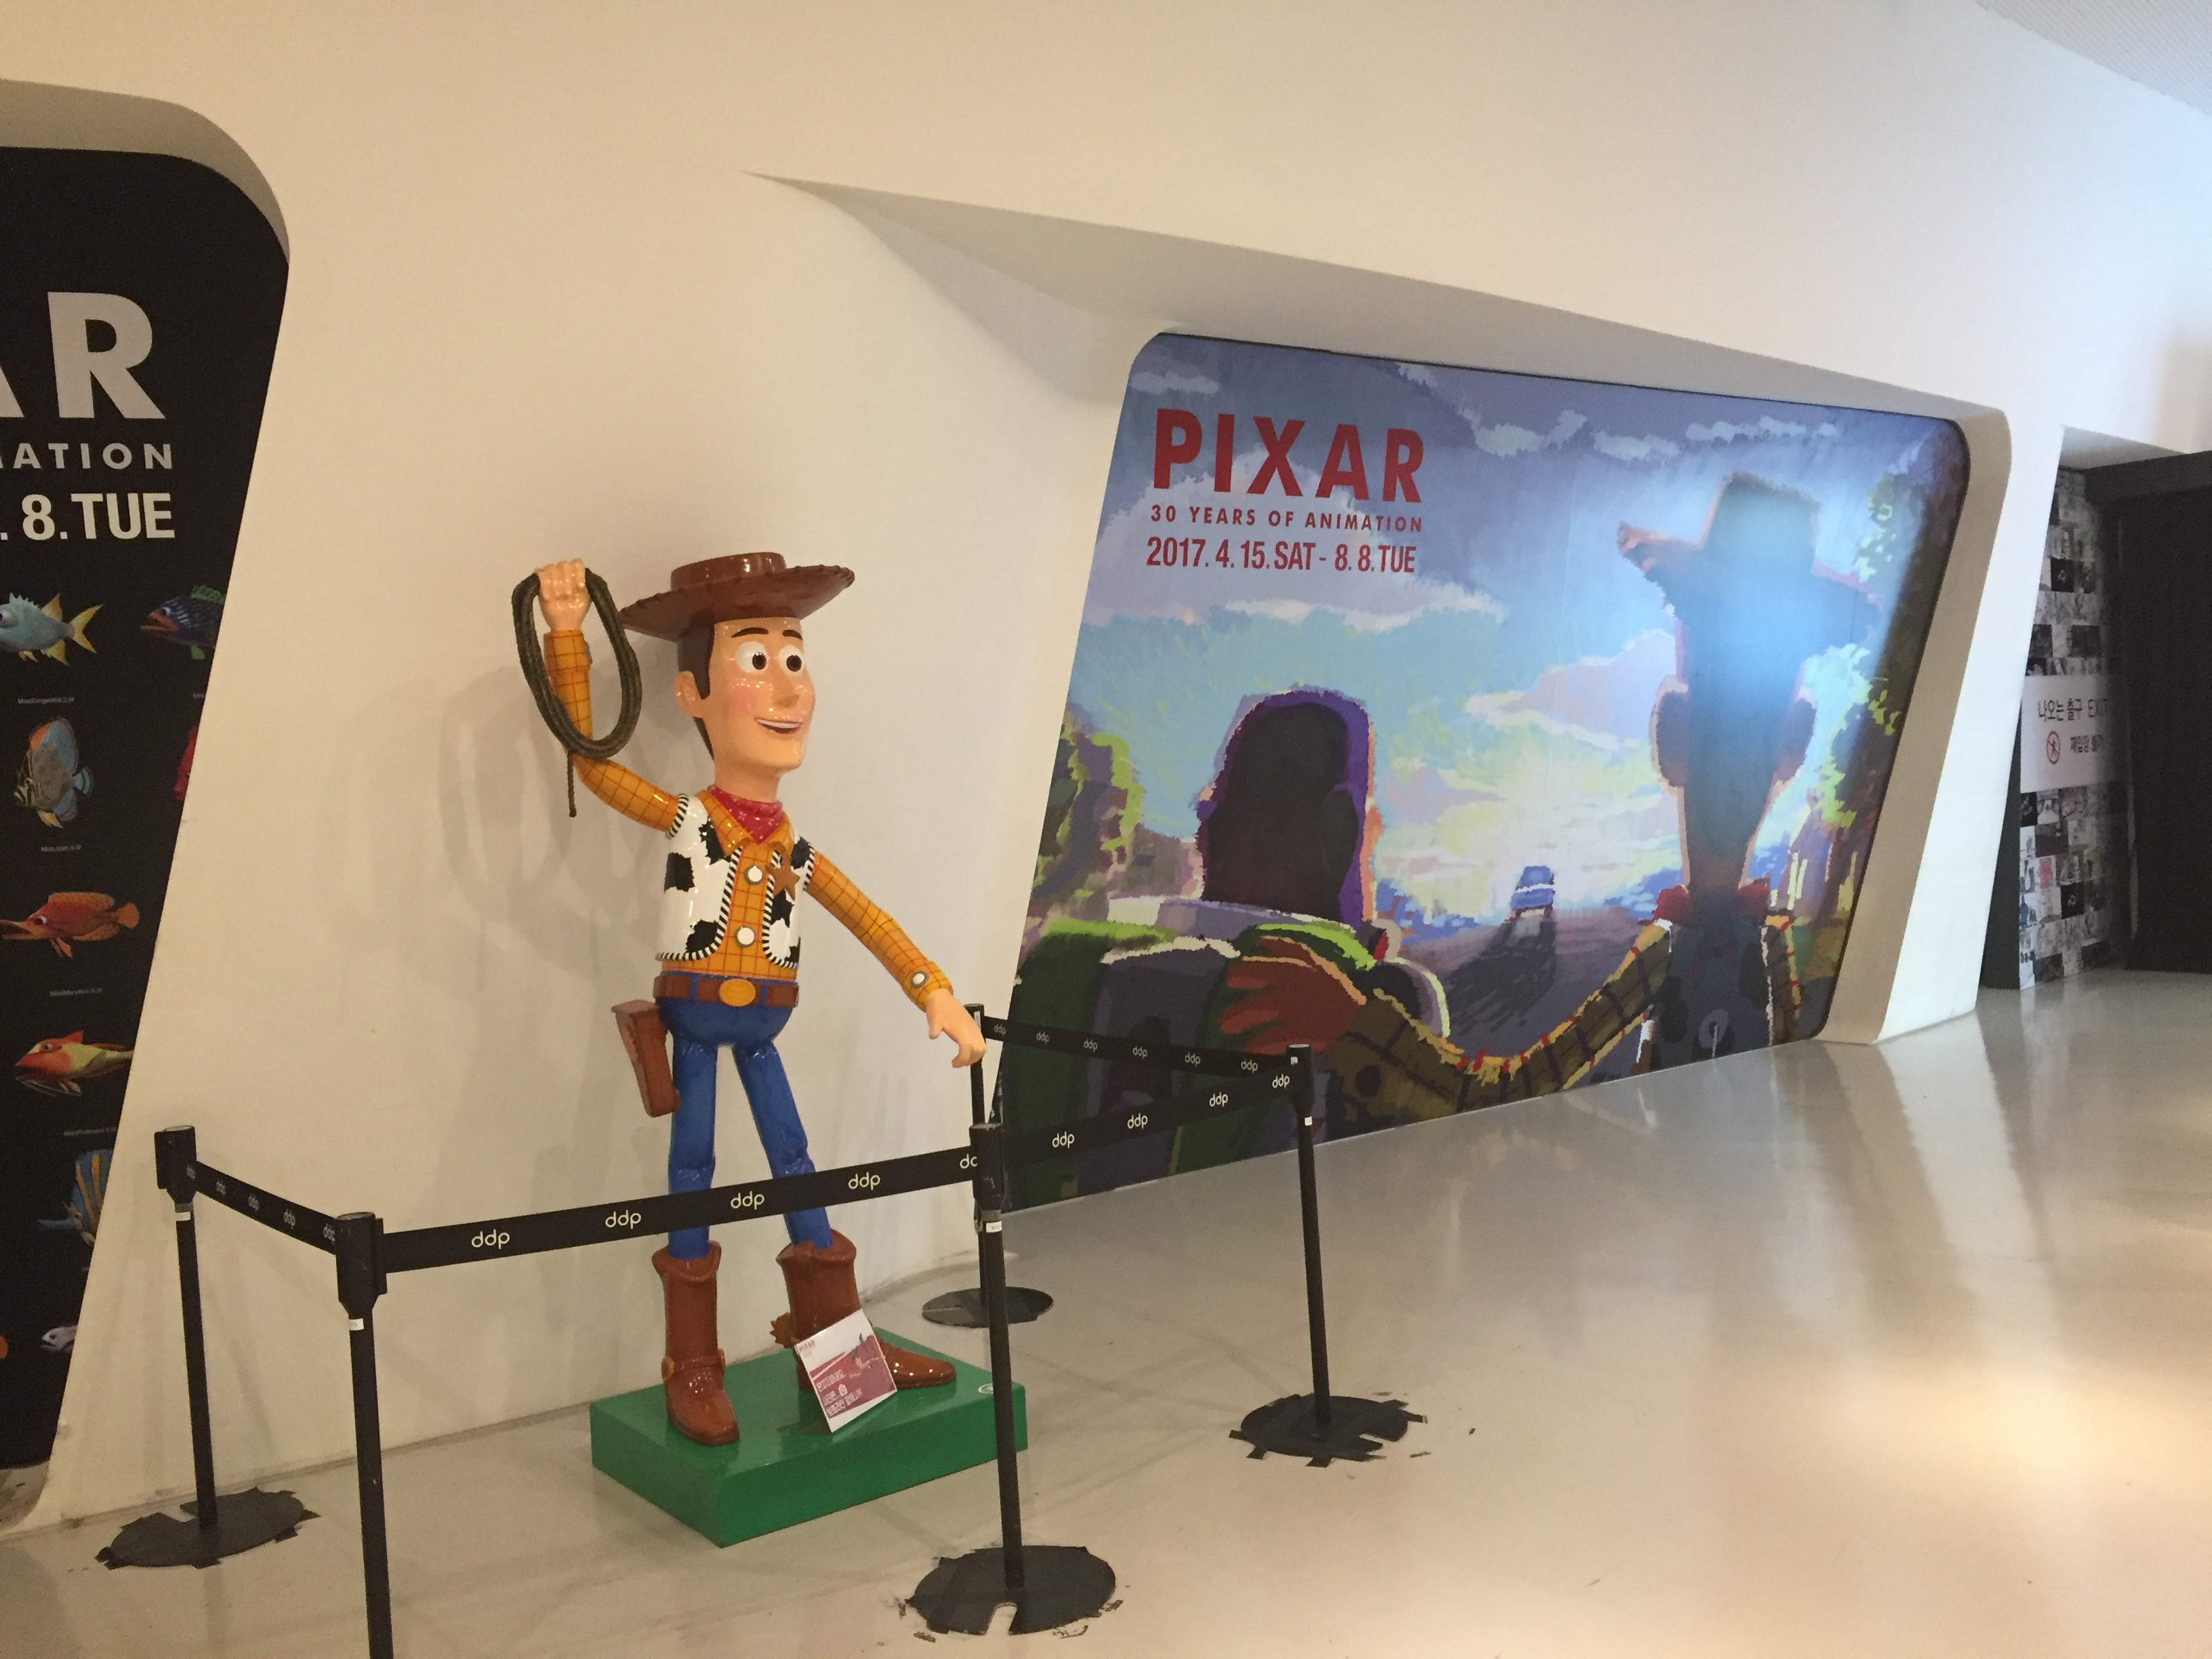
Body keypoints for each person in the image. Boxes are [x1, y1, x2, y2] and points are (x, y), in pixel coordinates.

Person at [531, 554, 985, 1446]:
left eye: (795, 658)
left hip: (763, 1031)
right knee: (691, 1171)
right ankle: (692, 1364)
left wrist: (934, 992)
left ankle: (842, 1352)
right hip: (695, 1029)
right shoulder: (690, 820)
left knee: (796, 1163)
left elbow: (869, 918)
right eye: (756, 660)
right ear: (693, 696)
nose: (788, 688)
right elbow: (593, 765)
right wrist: (567, 640)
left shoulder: (793, 848)